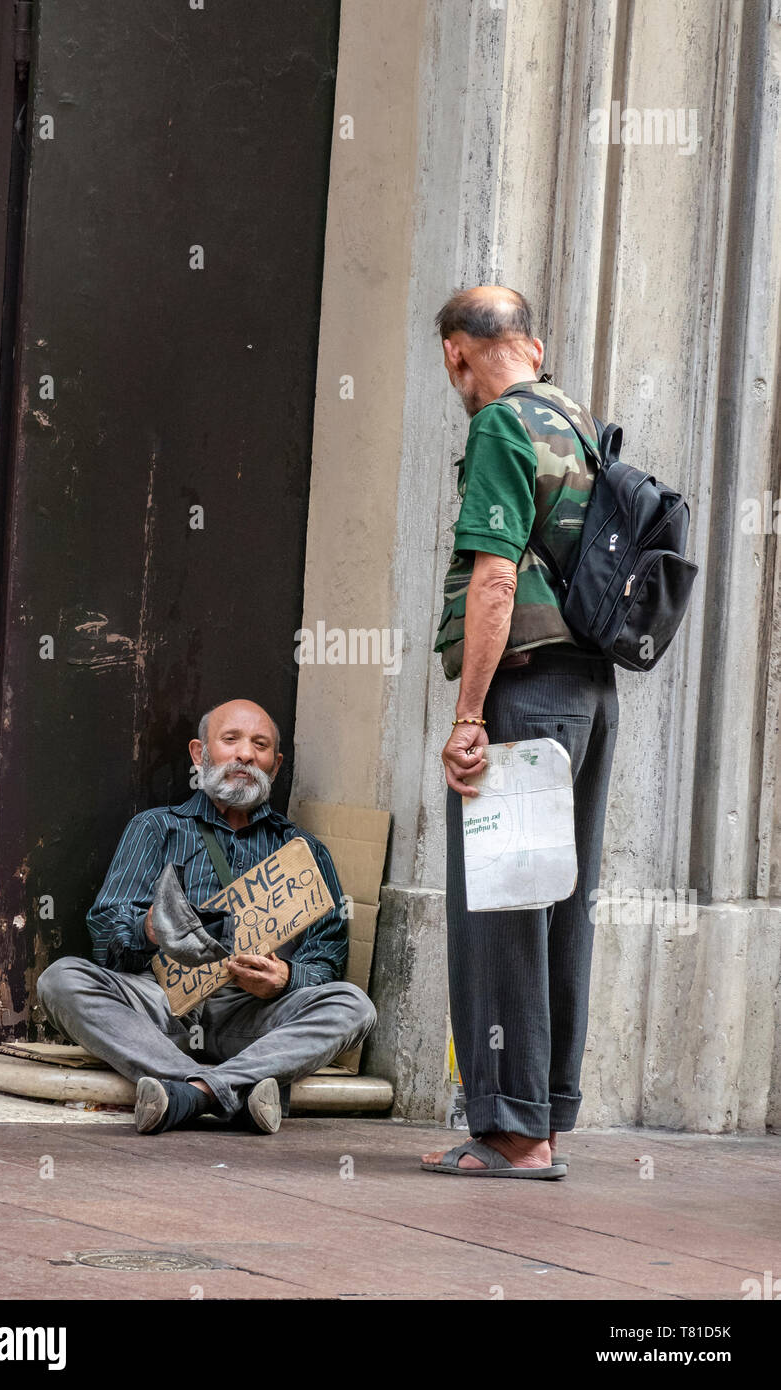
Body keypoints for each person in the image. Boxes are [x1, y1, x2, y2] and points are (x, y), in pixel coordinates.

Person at [421, 287, 619, 1178]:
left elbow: (494, 581)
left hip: (526, 690)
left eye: (451, 363)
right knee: (557, 906)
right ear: (534, 345)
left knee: (499, 906)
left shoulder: (500, 427)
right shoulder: (582, 423)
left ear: (461, 354)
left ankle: (510, 1133)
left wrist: (469, 717)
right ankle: (545, 1118)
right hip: (590, 696)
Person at [37, 699, 376, 1136]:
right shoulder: (156, 827)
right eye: (230, 740)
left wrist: (285, 980)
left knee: (354, 1006)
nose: (246, 755)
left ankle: (191, 1095)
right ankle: (230, 1090)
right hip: (158, 1005)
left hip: (251, 1014)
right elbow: (105, 934)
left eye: (261, 745)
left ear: (275, 766)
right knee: (60, 979)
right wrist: (150, 929)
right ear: (200, 754)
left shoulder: (304, 853)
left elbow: (327, 962)